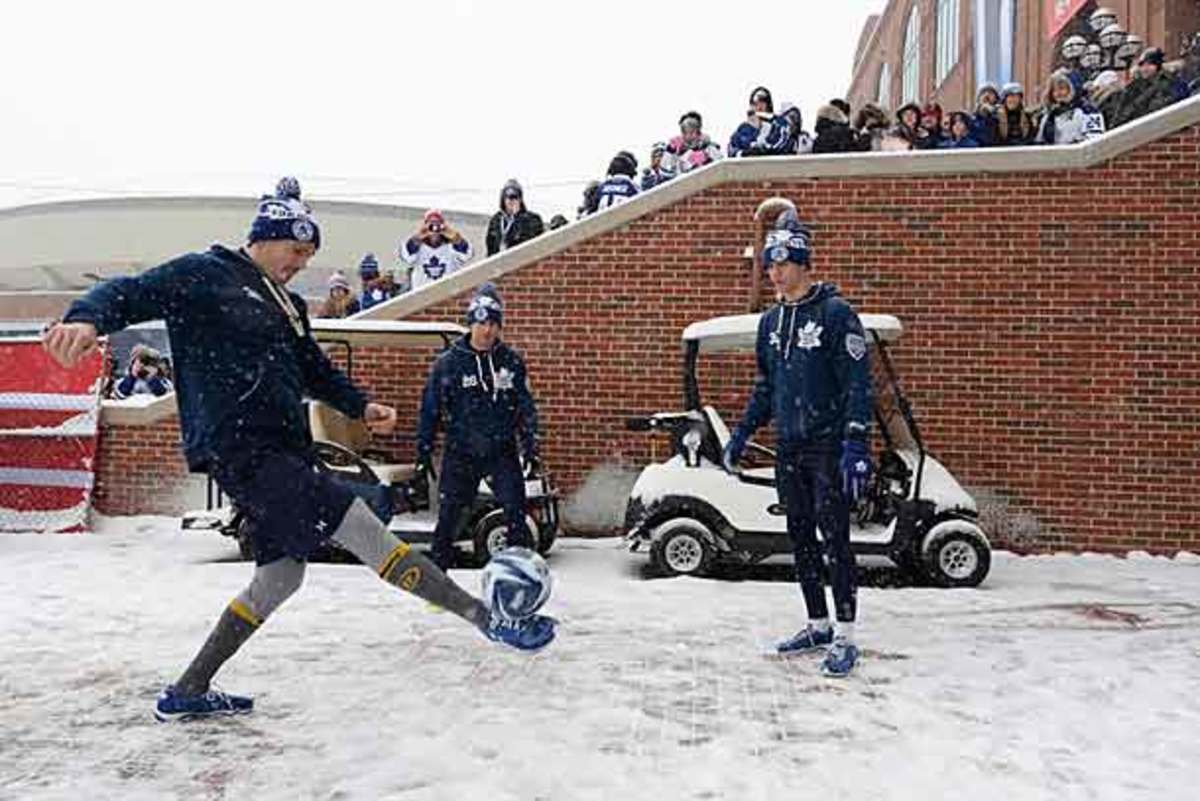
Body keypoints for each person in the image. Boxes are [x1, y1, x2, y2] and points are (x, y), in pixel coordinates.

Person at [42, 179, 555, 722]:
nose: (300, 262)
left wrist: (361, 405)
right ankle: (487, 619)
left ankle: (188, 690)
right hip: (241, 445)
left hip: (285, 446)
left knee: (281, 576)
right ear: (265, 238)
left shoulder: (286, 303)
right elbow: (131, 291)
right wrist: (86, 317)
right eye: (296, 250)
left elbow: (313, 367)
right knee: (363, 530)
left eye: (309, 255)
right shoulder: (206, 273)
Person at [722, 207, 872, 678]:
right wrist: (743, 431)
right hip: (789, 447)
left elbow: (857, 383)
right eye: (770, 264)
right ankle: (817, 623)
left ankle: (846, 635)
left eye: (783, 263)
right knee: (800, 538)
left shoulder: (835, 314)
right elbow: (766, 387)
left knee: (836, 539)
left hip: (827, 447)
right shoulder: (770, 323)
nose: (775, 272)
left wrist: (856, 443)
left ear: (804, 263)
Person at [416, 284, 541, 571]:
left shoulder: (510, 361)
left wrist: (531, 446)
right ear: (471, 324)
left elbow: (525, 406)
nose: (487, 331)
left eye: (493, 324)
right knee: (449, 517)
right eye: (482, 323)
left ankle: (518, 579)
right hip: (462, 450)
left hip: (501, 450)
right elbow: (430, 408)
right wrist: (423, 450)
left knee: (515, 513)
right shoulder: (449, 364)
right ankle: (438, 581)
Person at [1109, 47, 1182, 128]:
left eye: (1150, 64)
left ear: (1158, 65)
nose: (1145, 68)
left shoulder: (1168, 83)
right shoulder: (1134, 86)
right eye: (1142, 65)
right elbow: (1120, 111)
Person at [401, 209, 473, 290]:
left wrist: (457, 239)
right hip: (422, 293)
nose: (434, 228)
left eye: (438, 223)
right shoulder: (418, 247)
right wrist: (417, 237)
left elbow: (466, 255)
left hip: (446, 293)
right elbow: (407, 257)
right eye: (431, 224)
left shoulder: (451, 246)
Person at [1036, 69, 1106, 145]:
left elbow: (1095, 139)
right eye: (1054, 90)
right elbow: (1040, 143)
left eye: (1062, 88)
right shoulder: (1049, 116)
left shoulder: (1089, 112)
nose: (1058, 93)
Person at [485, 179, 544, 257]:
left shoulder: (532, 219)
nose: (511, 200)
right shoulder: (496, 220)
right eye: (508, 197)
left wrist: (517, 217)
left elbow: (532, 242)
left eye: (515, 197)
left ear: (520, 199)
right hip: (499, 261)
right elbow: (490, 245)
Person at [727, 86, 775, 157]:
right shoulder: (743, 128)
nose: (758, 106)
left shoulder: (776, 126)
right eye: (755, 103)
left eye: (762, 102)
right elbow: (731, 149)